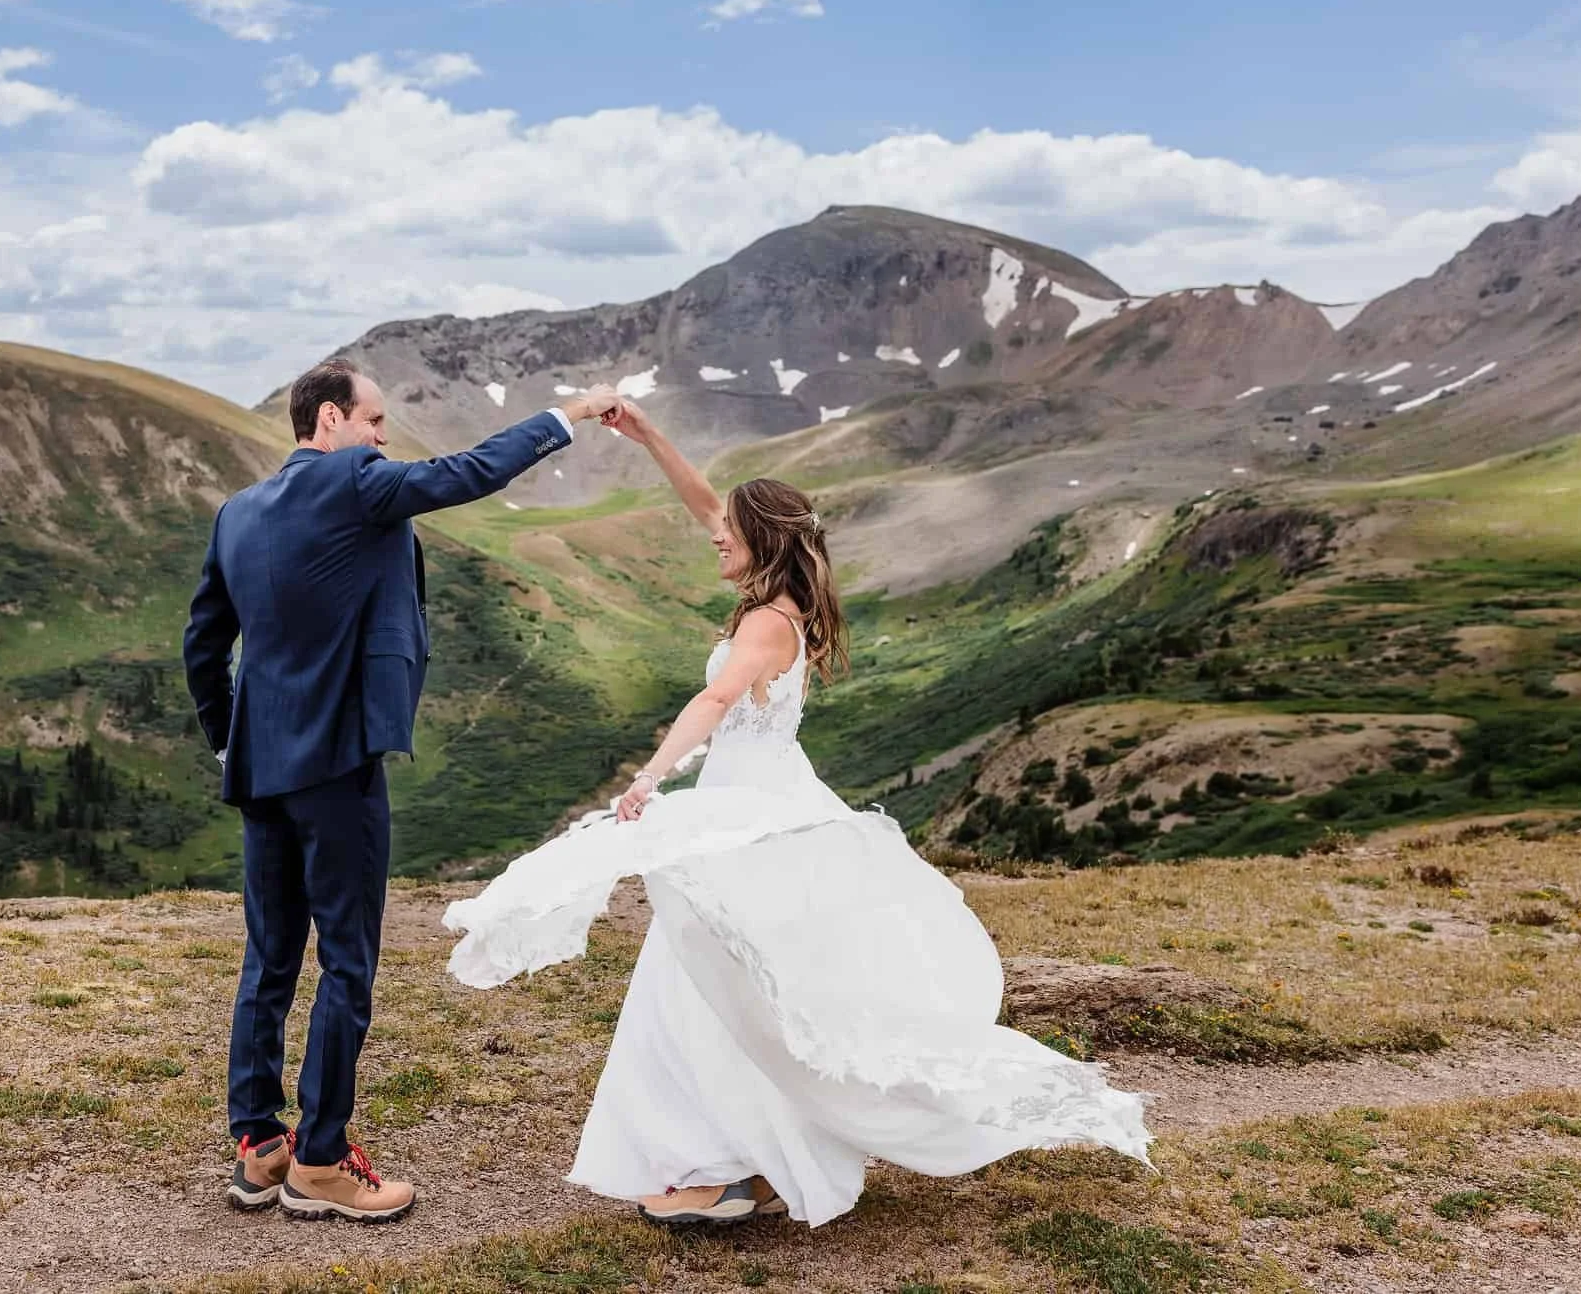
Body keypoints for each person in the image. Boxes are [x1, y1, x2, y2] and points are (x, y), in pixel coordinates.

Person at [443, 398, 1151, 1228]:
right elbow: (709, 507)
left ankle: (736, 1160)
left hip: (750, 810)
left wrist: (651, 776)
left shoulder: (770, 624)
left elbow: (715, 696)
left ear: (766, 543)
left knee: (735, 984)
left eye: (732, 533)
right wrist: (650, 439)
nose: (716, 536)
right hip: (754, 798)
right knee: (714, 977)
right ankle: (736, 1155)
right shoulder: (774, 591)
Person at [184, 358, 620, 1222]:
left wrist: (230, 736)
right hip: (338, 767)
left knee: (269, 955)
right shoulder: (355, 480)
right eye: (377, 421)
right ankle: (320, 1162)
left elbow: (204, 643)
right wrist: (568, 414)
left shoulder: (238, 511)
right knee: (347, 961)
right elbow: (473, 473)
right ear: (335, 421)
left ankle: (258, 1143)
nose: (385, 440)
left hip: (261, 766)